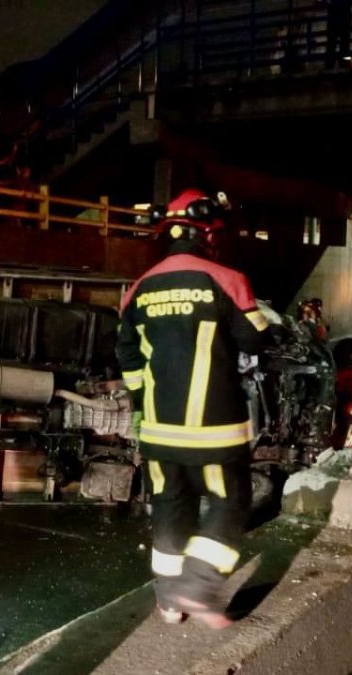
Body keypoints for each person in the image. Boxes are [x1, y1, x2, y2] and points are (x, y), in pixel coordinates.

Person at [116, 189, 268, 629]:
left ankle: (168, 603)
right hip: (214, 430)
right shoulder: (226, 278)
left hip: (159, 430)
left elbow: (128, 360)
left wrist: (146, 406)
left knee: (169, 506)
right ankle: (198, 586)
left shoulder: (138, 289)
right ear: (209, 232)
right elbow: (255, 338)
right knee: (229, 500)